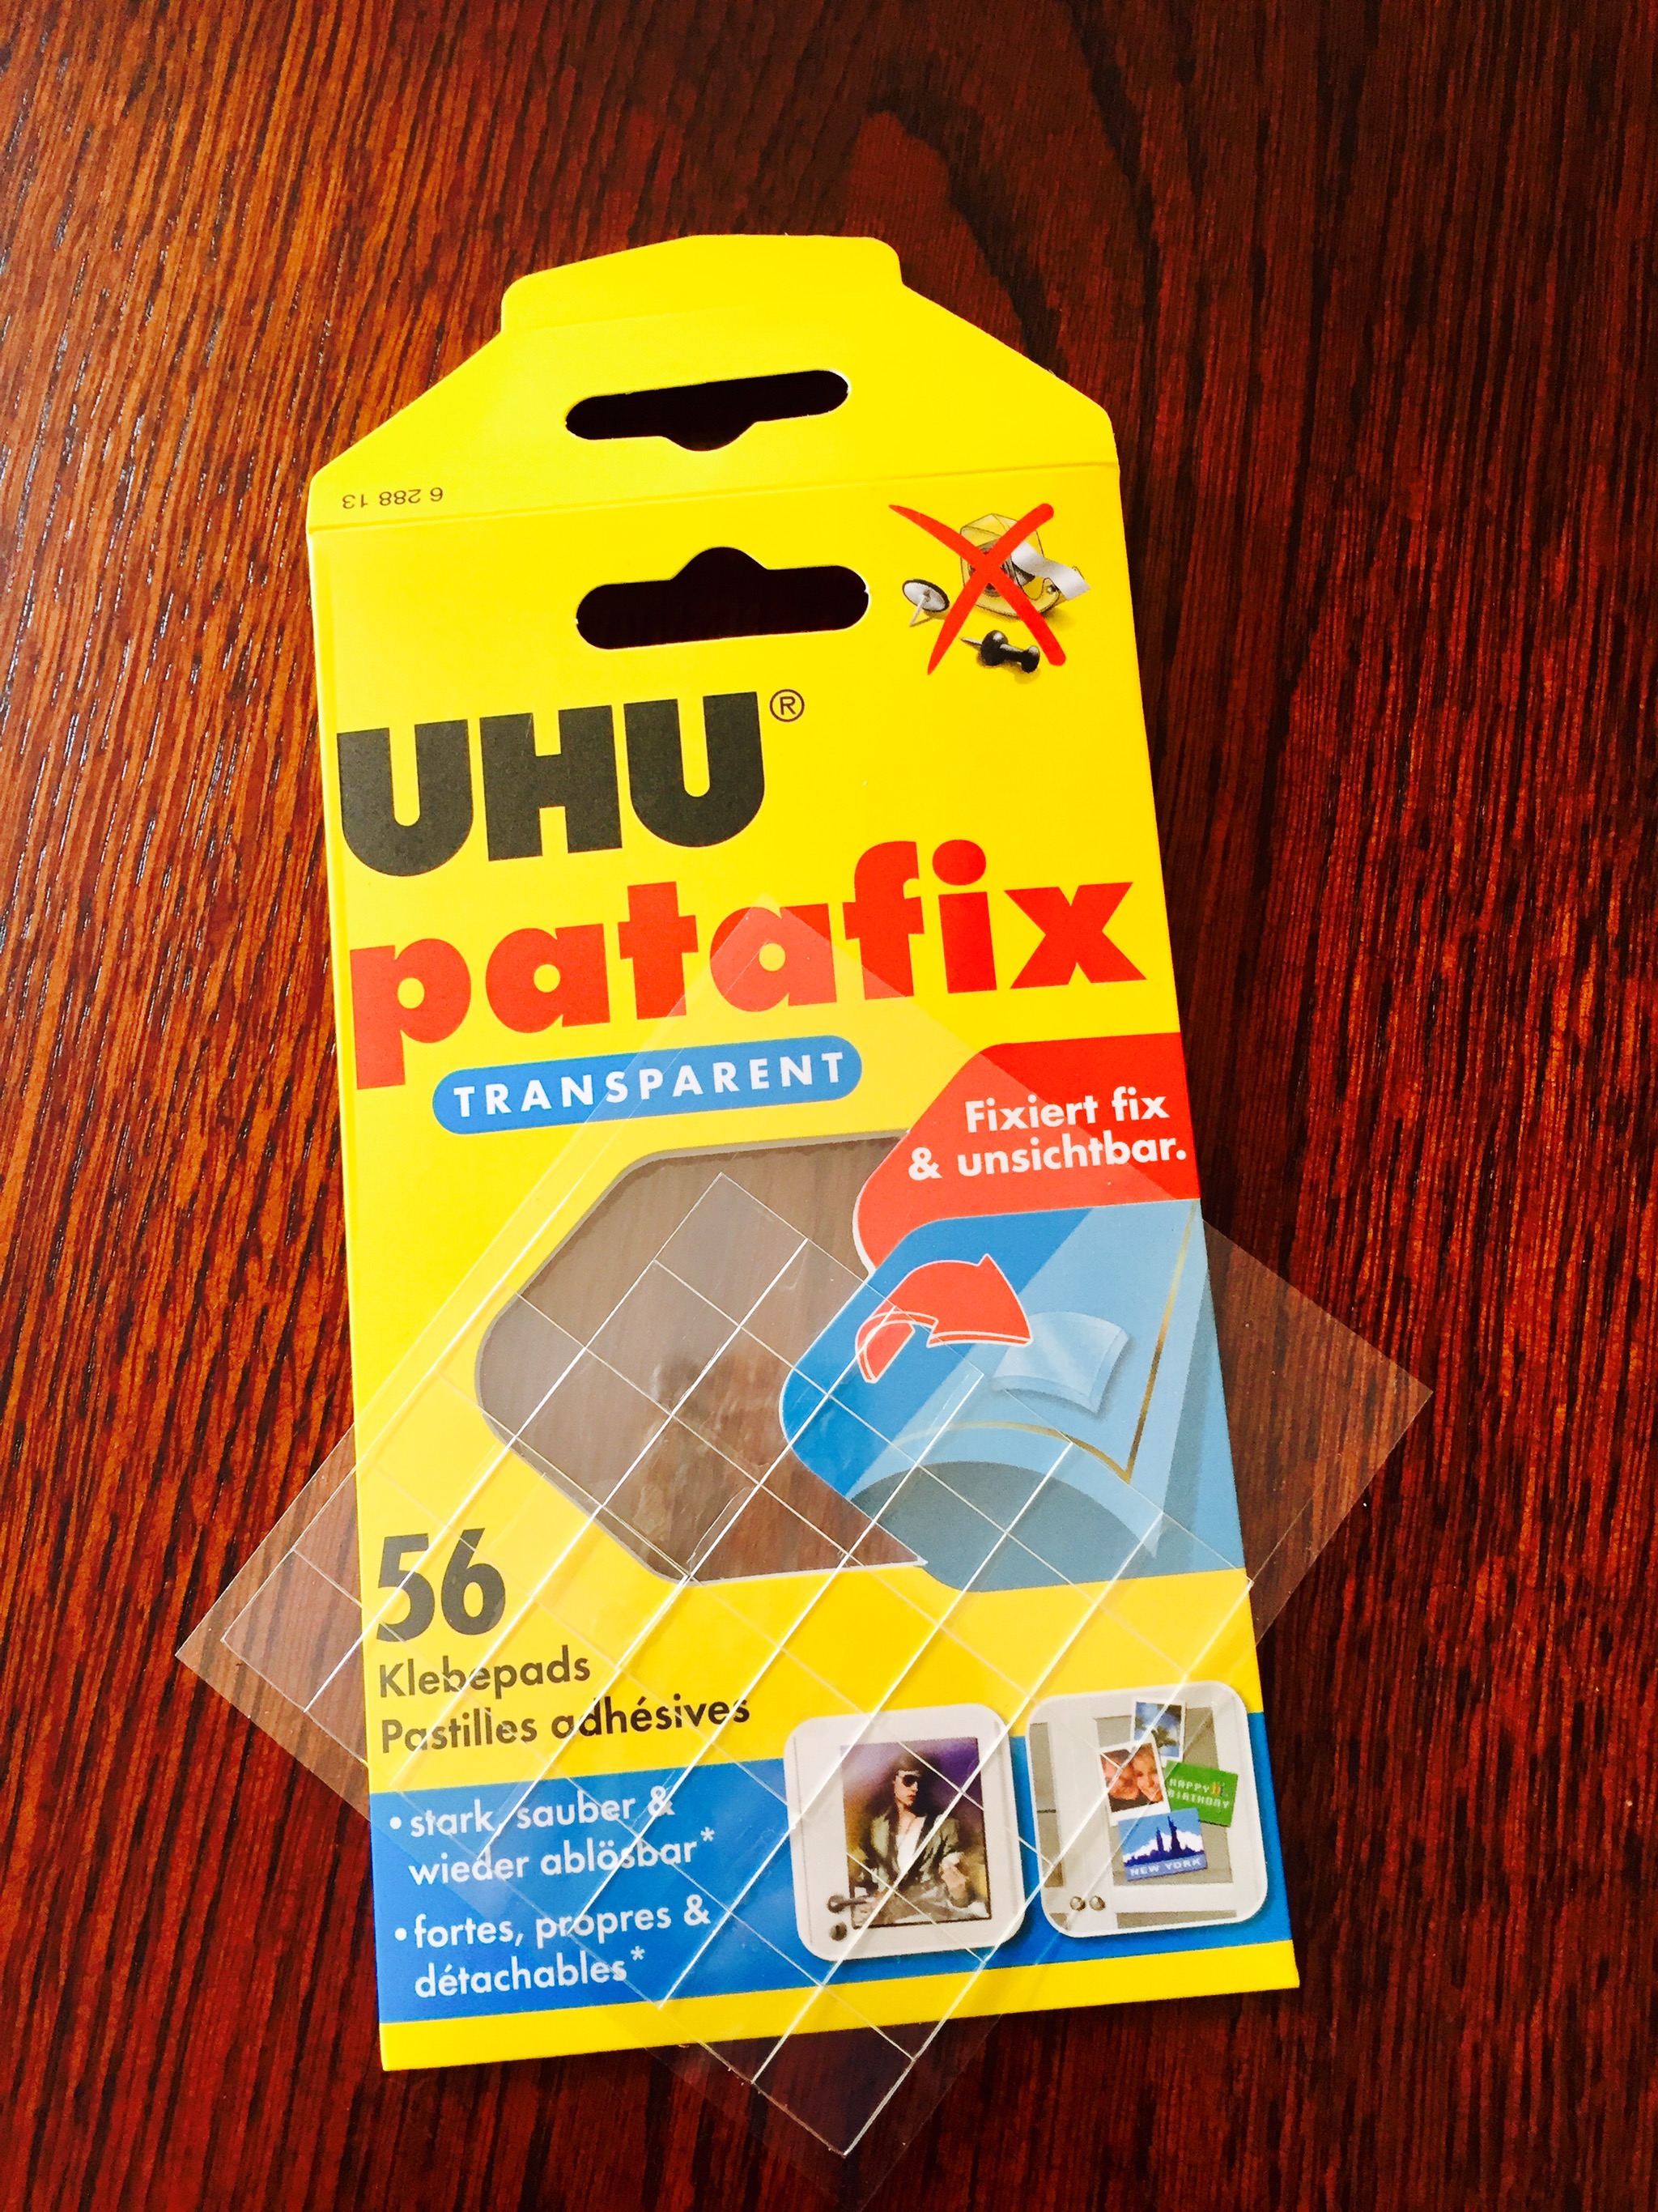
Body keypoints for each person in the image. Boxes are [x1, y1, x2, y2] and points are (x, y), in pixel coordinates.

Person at [852, 1753, 988, 1922]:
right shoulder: (877, 1828)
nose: (915, 1788)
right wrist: (864, 1905)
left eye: (920, 1782)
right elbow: (863, 1877)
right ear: (893, 1781)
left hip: (930, 1918)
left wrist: (960, 1894)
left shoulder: (945, 1826)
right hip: (887, 1921)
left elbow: (961, 1891)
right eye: (909, 1780)